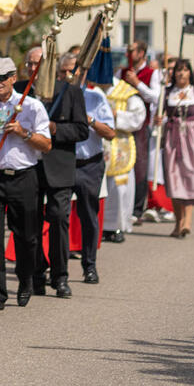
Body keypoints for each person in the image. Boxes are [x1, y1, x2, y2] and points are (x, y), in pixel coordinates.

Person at [0, 56, 51, 311]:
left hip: (25, 176)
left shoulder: (32, 106)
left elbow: (46, 145)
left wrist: (22, 132)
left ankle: (25, 280)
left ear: (14, 78)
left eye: (3, 77)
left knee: (27, 236)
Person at [19, 49, 86, 299]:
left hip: (59, 166)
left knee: (58, 218)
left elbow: (82, 130)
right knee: (29, 224)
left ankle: (60, 276)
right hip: (27, 166)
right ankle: (36, 274)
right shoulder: (19, 89)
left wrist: (54, 128)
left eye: (37, 64)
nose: (32, 68)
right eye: (29, 63)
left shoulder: (69, 91)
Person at [77, 41, 117, 283]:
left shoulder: (96, 96)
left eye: (79, 70)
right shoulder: (57, 95)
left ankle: (89, 265)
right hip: (63, 163)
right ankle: (55, 268)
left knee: (88, 216)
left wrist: (89, 120)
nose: (74, 75)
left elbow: (110, 132)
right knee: (57, 215)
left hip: (89, 164)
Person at [159, 59, 194, 237]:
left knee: (190, 177)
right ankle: (177, 221)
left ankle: (187, 220)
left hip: (193, 138)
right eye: (179, 70)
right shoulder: (167, 92)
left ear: (190, 73)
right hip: (173, 138)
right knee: (174, 180)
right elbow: (160, 116)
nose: (181, 73)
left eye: (185, 70)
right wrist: (159, 120)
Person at [119, 41, 161, 222]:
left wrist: (137, 83)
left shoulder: (153, 74)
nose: (129, 54)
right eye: (128, 51)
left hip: (142, 124)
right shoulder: (121, 72)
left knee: (140, 166)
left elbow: (156, 97)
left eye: (132, 51)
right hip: (122, 123)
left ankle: (137, 208)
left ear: (142, 53)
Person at [103, 73, 146, 243]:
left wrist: (116, 115)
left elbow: (138, 117)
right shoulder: (89, 87)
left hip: (118, 144)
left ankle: (116, 226)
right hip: (95, 145)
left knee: (119, 189)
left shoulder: (124, 91)